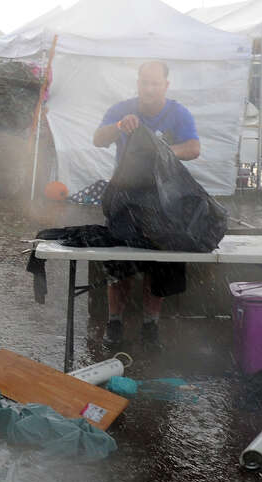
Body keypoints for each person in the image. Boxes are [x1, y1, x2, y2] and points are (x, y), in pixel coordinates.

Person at [92, 60, 200, 348]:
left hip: (162, 200)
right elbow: (97, 140)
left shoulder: (178, 113)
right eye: (144, 82)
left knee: (158, 265)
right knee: (120, 263)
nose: (149, 88)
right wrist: (117, 126)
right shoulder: (122, 109)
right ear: (138, 83)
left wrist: (162, 151)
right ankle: (114, 323)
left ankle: (150, 326)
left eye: (155, 83)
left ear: (165, 85)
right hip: (124, 197)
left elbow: (193, 148)